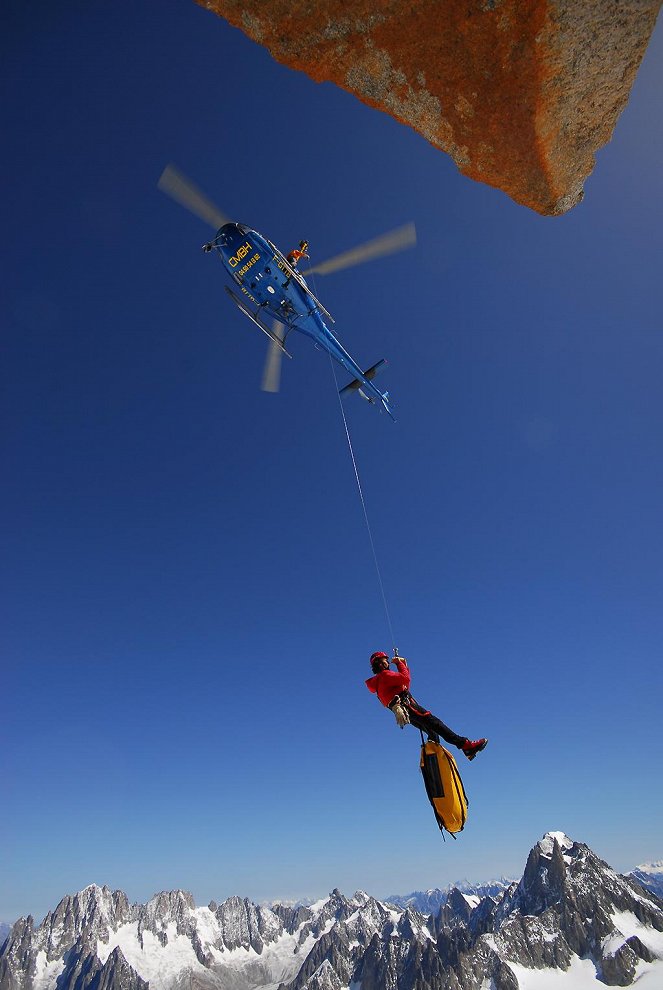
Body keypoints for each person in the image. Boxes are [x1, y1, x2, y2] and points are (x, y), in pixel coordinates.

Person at [366, 651, 488, 760]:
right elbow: (406, 679)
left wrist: (404, 665)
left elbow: (404, 686)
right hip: (407, 705)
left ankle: (434, 759)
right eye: (385, 660)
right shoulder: (385, 675)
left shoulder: (379, 681)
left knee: (432, 732)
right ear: (380, 664)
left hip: (403, 709)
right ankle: (466, 745)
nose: (387, 662)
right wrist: (399, 664)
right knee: (435, 723)